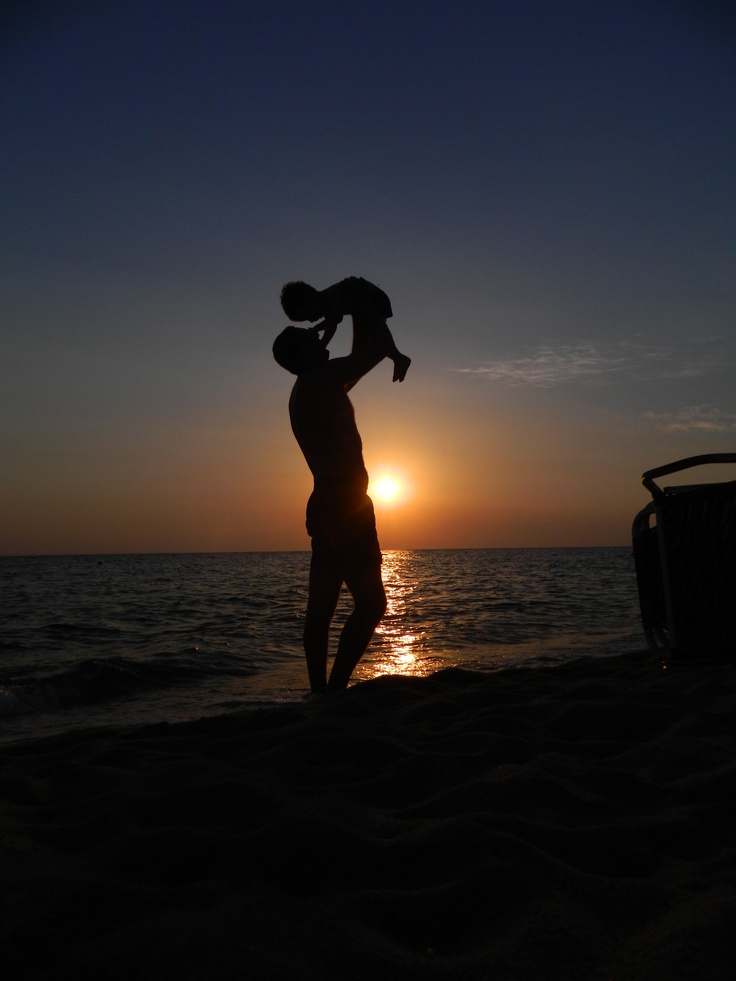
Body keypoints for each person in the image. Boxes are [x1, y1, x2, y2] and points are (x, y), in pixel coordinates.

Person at [272, 303, 396, 692]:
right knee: (371, 605)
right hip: (344, 502)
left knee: (323, 606)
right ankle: (335, 688)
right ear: (302, 355)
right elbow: (369, 355)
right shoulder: (319, 380)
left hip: (328, 499)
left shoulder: (310, 386)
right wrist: (362, 303)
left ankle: (321, 693)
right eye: (311, 338)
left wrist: (348, 316)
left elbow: (355, 359)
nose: (319, 337)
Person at [280, 276, 411, 383]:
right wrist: (324, 342)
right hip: (362, 306)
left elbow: (336, 319)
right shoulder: (327, 304)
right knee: (361, 349)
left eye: (308, 316)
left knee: (371, 341)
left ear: (310, 299)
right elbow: (332, 325)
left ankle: (399, 358)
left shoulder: (330, 298)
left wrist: (316, 329)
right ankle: (399, 358)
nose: (312, 320)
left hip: (374, 298)